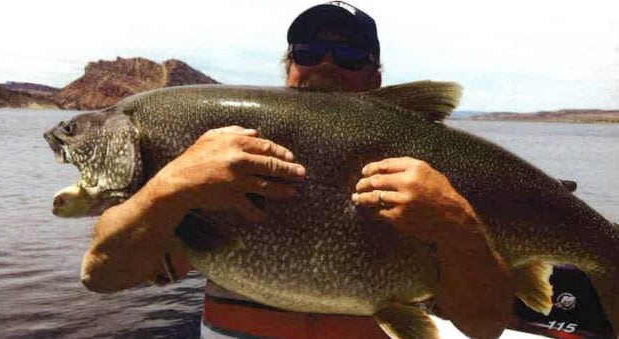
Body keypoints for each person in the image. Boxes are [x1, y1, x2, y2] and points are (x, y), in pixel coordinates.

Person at [77, 2, 610, 339]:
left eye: (350, 55)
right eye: (309, 50)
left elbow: (484, 326)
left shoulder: (431, 167)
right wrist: (171, 187)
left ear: (376, 76)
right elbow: (102, 276)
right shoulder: (206, 157)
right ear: (287, 67)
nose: (327, 64)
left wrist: (457, 224)